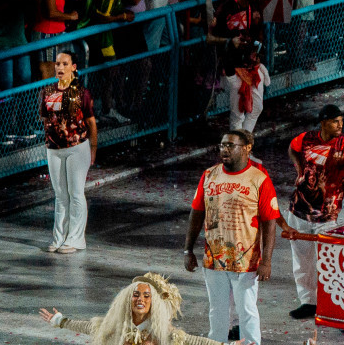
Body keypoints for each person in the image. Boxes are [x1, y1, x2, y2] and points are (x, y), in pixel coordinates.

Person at [284, 104, 344, 320]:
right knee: (302, 260)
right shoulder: (306, 138)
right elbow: (292, 147)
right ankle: (308, 302)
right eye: (335, 121)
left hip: (327, 215)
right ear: (323, 123)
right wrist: (298, 166)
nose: (340, 125)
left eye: (341, 121)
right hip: (298, 210)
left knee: (331, 262)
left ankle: (336, 306)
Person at [185, 130, 280, 345]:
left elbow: (269, 222)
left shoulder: (259, 179)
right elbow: (197, 213)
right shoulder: (209, 175)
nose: (224, 150)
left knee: (247, 310)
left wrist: (266, 261)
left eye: (230, 145)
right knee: (216, 311)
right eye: (222, 145)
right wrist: (187, 250)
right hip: (214, 260)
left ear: (247, 148)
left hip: (246, 262)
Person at [39, 273, 220, 345]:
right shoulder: (117, 325)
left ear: (153, 303)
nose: (140, 299)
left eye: (146, 296)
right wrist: (60, 321)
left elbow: (192, 341)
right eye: (136, 295)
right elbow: (89, 327)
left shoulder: (161, 332)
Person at [41, 49, 96, 254]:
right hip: (54, 148)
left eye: (64, 64)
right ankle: (59, 237)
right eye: (57, 64)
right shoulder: (47, 92)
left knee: (75, 193)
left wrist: (93, 147)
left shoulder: (82, 93)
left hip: (76, 148)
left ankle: (76, 238)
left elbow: (91, 122)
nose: (59, 67)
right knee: (60, 194)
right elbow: (45, 118)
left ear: (74, 67)